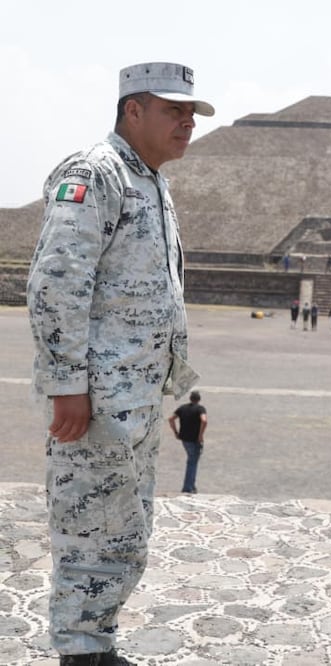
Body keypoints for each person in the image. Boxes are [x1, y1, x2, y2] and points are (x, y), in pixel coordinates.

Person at [26, 61, 214, 666]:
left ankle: (96, 643)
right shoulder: (96, 173)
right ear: (132, 110)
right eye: (173, 110)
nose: (187, 122)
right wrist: (65, 386)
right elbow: (57, 282)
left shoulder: (150, 182)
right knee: (89, 528)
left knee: (124, 531)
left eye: (191, 113)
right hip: (98, 398)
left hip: (132, 396)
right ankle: (80, 652)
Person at [168, 390, 208, 494]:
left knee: (191, 461)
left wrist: (175, 432)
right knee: (192, 463)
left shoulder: (182, 408)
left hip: (184, 439)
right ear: (199, 399)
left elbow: (171, 419)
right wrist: (201, 435)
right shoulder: (200, 409)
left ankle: (191, 485)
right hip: (194, 439)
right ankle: (188, 487)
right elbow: (204, 420)